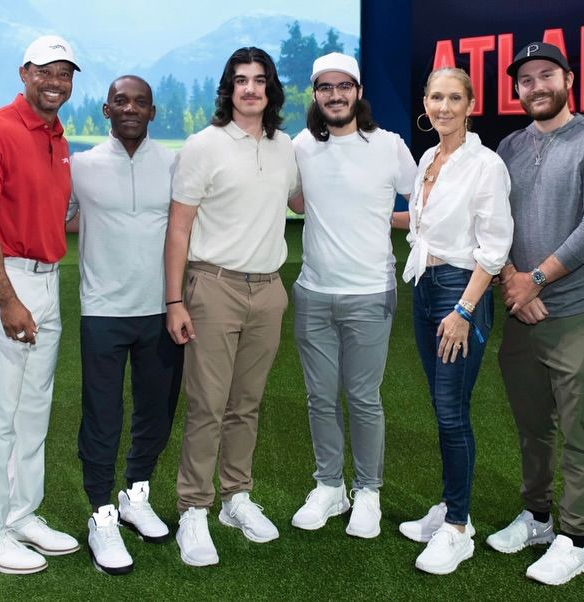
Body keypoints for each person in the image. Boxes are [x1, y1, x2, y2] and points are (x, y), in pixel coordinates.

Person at [485, 42, 584, 585]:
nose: (536, 86)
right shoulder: (509, 147)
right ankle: (539, 517)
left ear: (568, 79)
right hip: (523, 314)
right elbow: (493, 225)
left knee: (580, 431)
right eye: (525, 80)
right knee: (531, 430)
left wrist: (535, 278)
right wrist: (512, 282)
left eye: (546, 75)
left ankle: (574, 536)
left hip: (578, 315)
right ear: (516, 90)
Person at [164, 47, 299, 567]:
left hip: (268, 289)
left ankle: (235, 497)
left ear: (271, 89)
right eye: (240, 81)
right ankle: (193, 508)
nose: (250, 89)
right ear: (228, 89)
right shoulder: (203, 146)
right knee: (207, 405)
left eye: (259, 80)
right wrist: (175, 299)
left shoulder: (286, 147)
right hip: (212, 286)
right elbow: (178, 228)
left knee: (247, 403)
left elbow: (302, 201)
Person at [0, 35, 81, 574]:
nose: (56, 82)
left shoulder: (56, 134)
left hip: (48, 281)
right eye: (45, 71)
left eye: (65, 73)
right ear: (24, 72)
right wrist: (7, 300)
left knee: (33, 412)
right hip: (2, 284)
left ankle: (21, 515)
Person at [288, 53, 416, 539]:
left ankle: (368, 492)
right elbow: (296, 199)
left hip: (370, 292)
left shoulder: (388, 146)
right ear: (316, 94)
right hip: (313, 293)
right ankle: (329, 487)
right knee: (320, 397)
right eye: (326, 87)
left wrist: (385, 219)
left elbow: (423, 202)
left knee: (363, 398)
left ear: (358, 92)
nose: (335, 95)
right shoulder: (300, 146)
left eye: (344, 86)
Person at [395, 67, 512, 575]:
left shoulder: (485, 164)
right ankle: (448, 507)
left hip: (458, 292)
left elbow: (496, 245)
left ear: (470, 103)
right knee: (445, 405)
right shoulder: (428, 158)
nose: (443, 106)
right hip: (424, 286)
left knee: (450, 412)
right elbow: (418, 225)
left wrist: (463, 310)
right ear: (425, 101)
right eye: (435, 97)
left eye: (453, 98)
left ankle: (458, 528)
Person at [67, 76, 183, 575]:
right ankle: (101, 514)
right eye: (121, 101)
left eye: (140, 102)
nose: (130, 108)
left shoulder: (176, 165)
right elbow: (65, 219)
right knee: (102, 418)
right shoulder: (82, 167)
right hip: (102, 313)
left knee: (156, 414)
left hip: (160, 310)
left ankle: (136, 494)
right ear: (105, 110)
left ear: (153, 112)